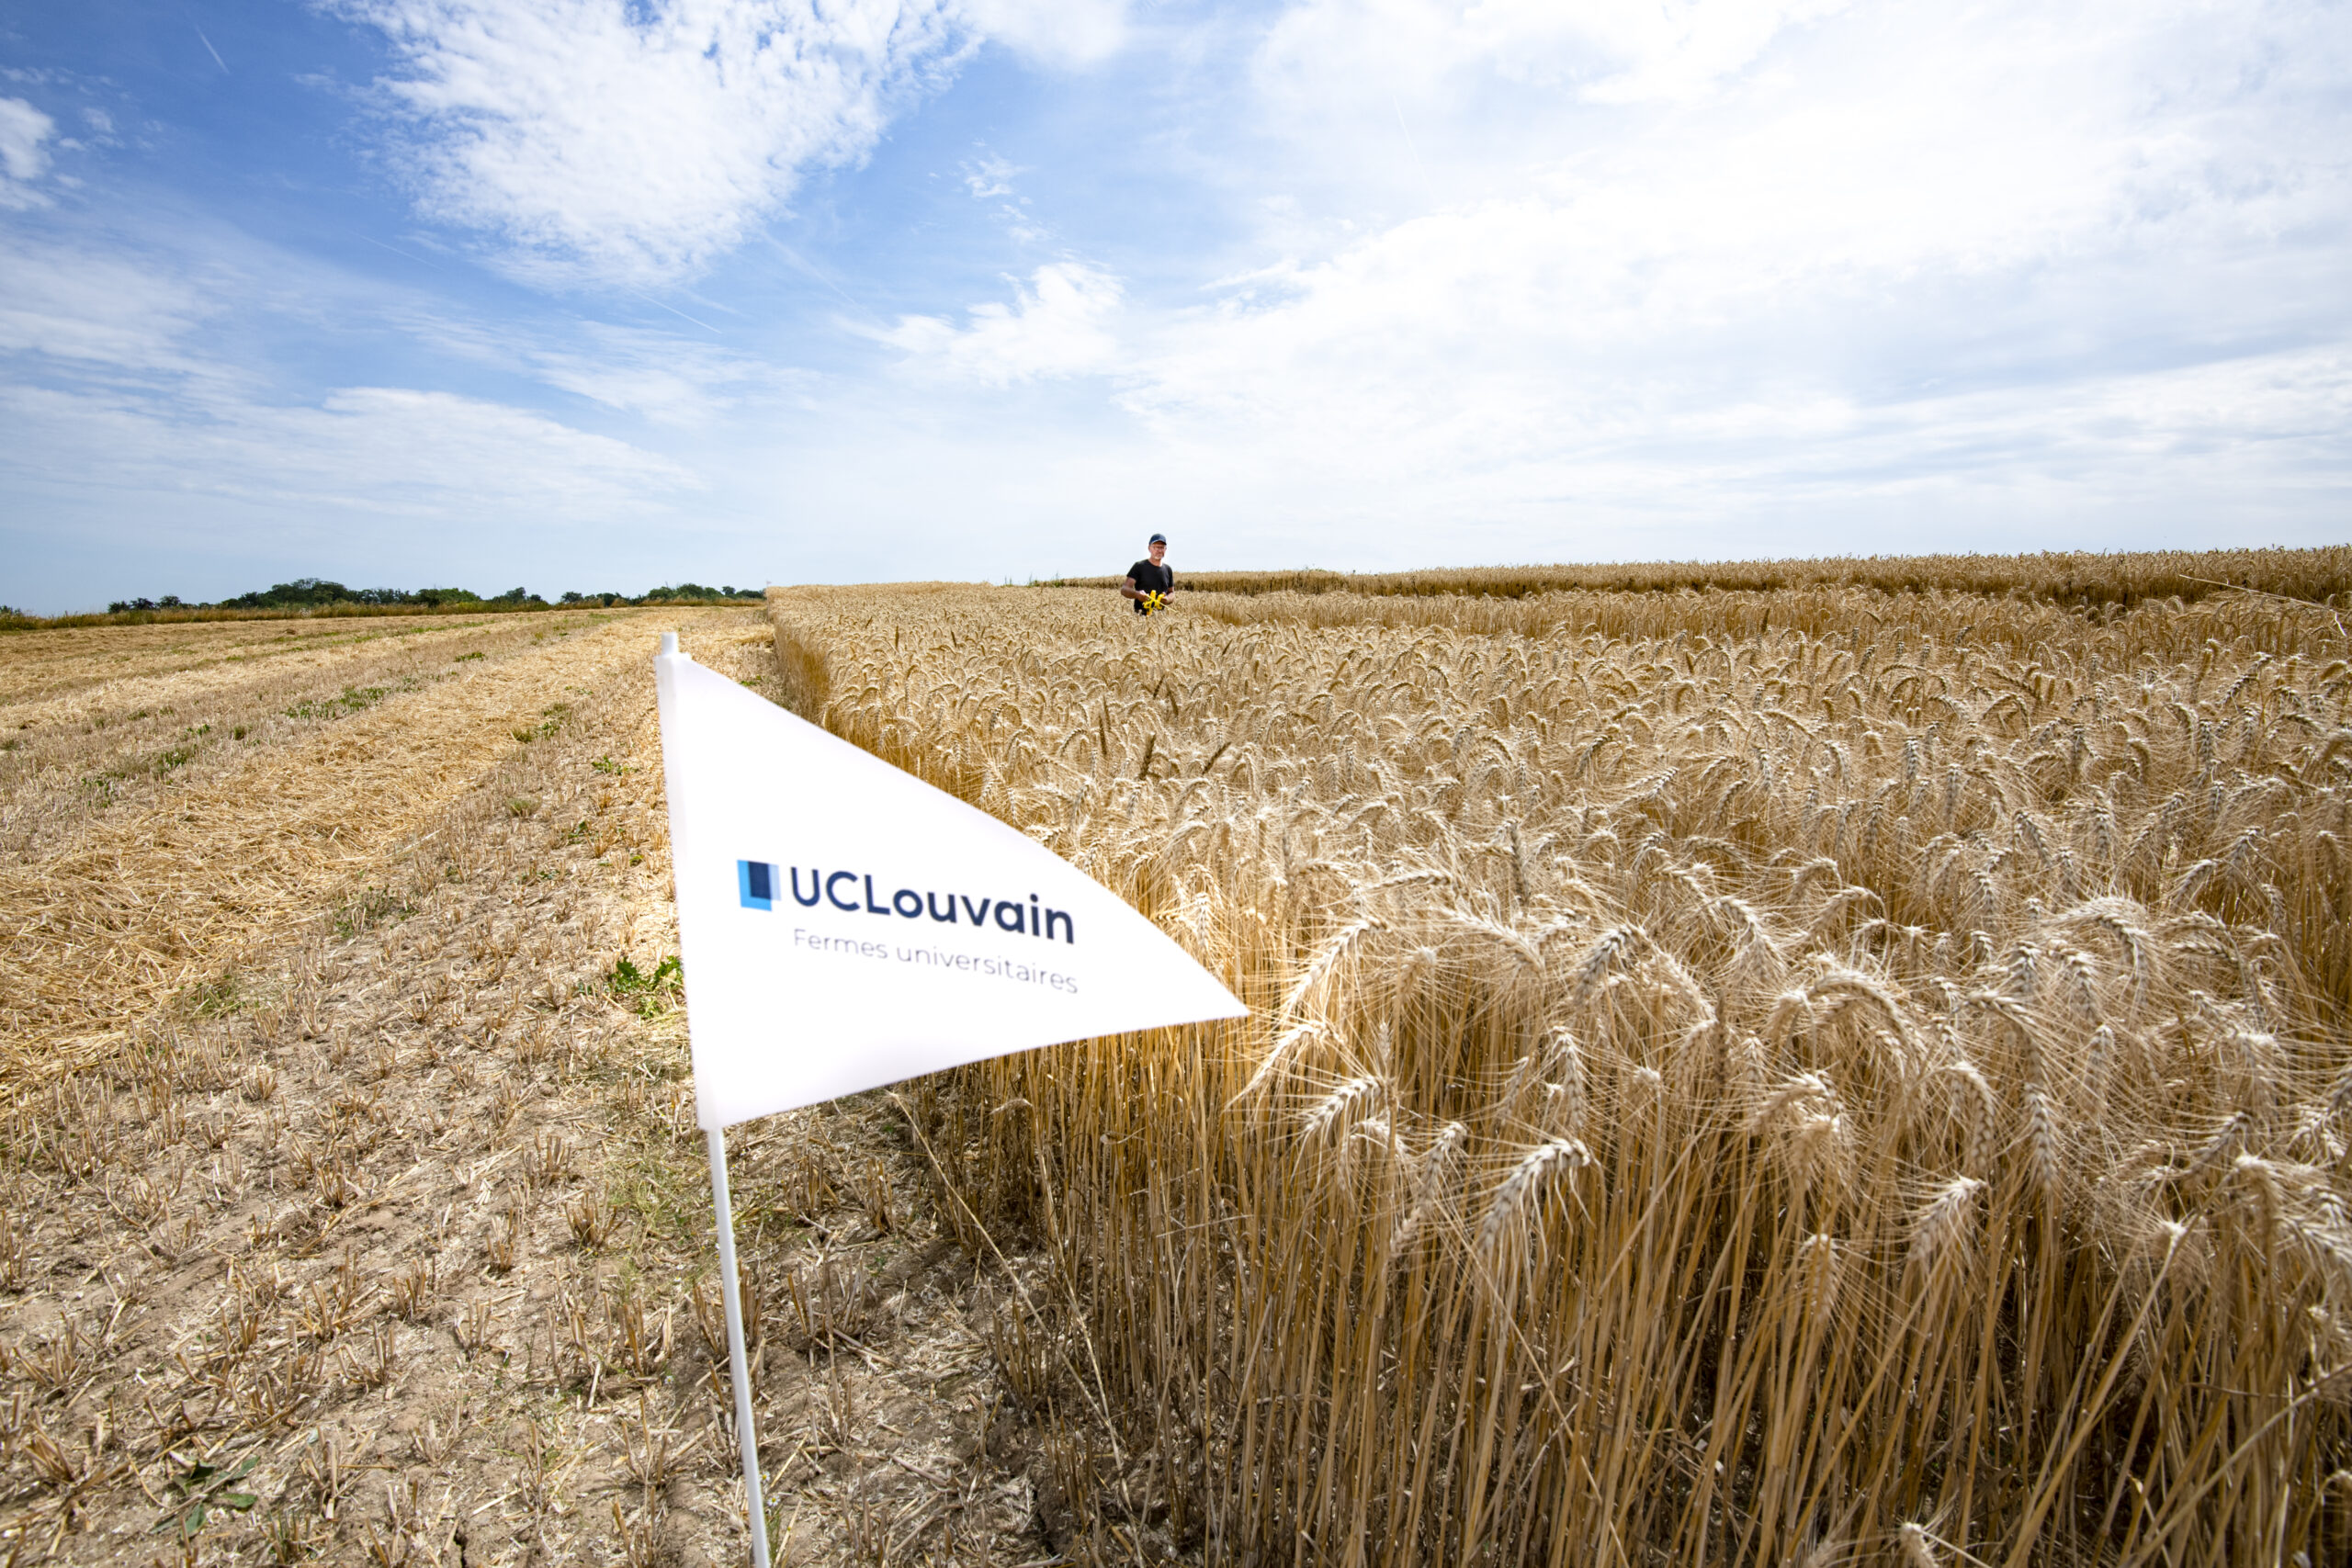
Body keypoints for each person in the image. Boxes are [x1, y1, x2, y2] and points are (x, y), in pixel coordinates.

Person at [1123, 534, 1174, 615]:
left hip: (1161, 619)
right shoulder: (1139, 566)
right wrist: (1137, 594)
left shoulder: (1168, 569)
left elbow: (1171, 592)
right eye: (1155, 547)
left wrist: (1167, 599)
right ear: (1149, 548)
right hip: (1140, 618)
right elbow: (1124, 589)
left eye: (1161, 547)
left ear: (1165, 549)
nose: (1159, 550)